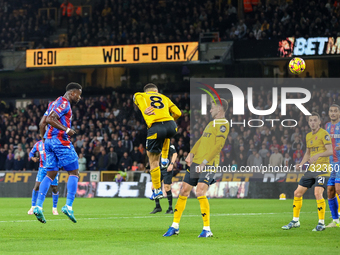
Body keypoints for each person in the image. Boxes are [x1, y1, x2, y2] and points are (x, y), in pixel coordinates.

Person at [163, 98, 229, 238]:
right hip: (196, 162)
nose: (210, 110)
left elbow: (218, 146)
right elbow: (201, 140)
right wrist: (191, 153)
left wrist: (204, 162)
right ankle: (175, 226)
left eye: (212, 107)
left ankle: (207, 229)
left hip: (209, 164)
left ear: (220, 109)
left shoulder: (223, 124)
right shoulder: (211, 123)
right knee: (183, 191)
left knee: (200, 192)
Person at [33, 82, 82, 224]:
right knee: (74, 172)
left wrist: (44, 140)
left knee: (50, 174)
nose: (79, 98)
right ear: (72, 93)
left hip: (48, 141)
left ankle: (38, 206)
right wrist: (67, 130)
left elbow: (42, 123)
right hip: (60, 141)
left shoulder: (53, 103)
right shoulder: (64, 103)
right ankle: (68, 206)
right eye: (79, 94)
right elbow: (50, 119)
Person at [282, 112, 332, 231]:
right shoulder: (308, 135)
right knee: (297, 193)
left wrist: (318, 155)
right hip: (312, 169)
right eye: (311, 120)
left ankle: (321, 223)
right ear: (308, 122)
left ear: (319, 122)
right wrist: (302, 163)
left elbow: (330, 151)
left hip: (323, 169)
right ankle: (295, 221)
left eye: (315, 120)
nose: (313, 122)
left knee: (317, 193)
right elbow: (308, 153)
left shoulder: (324, 134)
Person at [133, 83, 181, 200]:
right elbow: (178, 113)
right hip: (171, 125)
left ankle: (158, 191)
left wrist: (145, 109)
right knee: (166, 135)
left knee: (153, 159)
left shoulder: (141, 95)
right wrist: (171, 121)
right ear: (156, 91)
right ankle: (164, 159)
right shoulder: (164, 97)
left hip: (156, 127)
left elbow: (136, 97)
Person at [27, 140, 59, 216]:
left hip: (52, 168)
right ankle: (33, 207)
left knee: (54, 188)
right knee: (37, 186)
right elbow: (31, 153)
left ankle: (54, 208)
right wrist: (32, 158)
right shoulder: (38, 144)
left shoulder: (53, 143)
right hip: (42, 169)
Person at [150, 143, 178, 214]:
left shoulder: (169, 144)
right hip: (157, 168)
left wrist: (171, 164)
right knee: (153, 187)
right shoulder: (156, 145)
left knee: (167, 187)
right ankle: (158, 207)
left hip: (166, 169)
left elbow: (175, 154)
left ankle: (170, 208)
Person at [325, 104, 340, 227]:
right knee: (330, 191)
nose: (333, 113)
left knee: (338, 188)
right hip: (332, 163)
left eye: (335, 111)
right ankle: (335, 220)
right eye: (331, 111)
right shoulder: (327, 126)